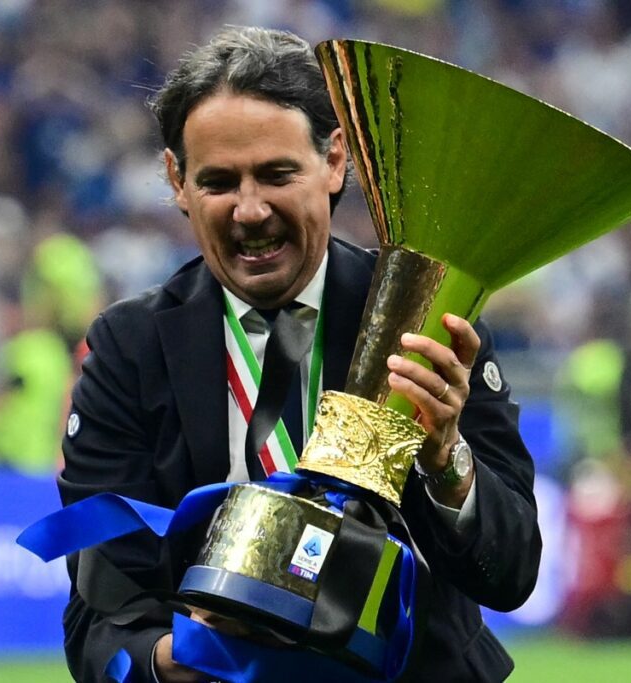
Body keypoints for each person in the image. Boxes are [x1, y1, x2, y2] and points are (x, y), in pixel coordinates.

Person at [58, 26, 541, 683]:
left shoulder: (425, 317)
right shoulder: (129, 347)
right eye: (220, 181)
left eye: (277, 174)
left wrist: (448, 462)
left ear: (336, 160)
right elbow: (99, 613)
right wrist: (182, 658)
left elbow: (511, 574)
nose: (251, 210)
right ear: (176, 179)